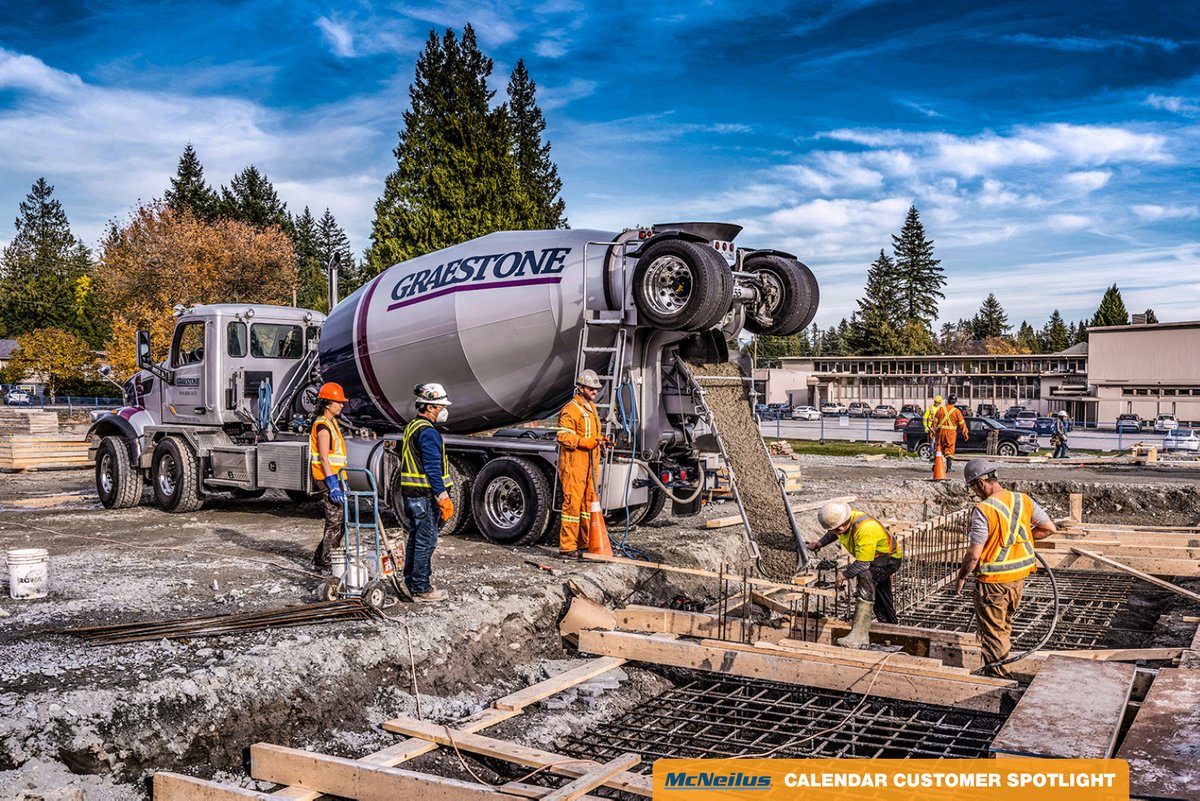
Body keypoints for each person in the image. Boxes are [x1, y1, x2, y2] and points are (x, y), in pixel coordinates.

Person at [954, 459, 1057, 679]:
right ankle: (998, 671)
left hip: (993, 583)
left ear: (981, 483)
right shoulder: (1023, 500)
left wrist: (961, 576)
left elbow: (974, 555)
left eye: (973, 487)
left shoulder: (984, 509)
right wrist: (1022, 540)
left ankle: (1000, 683)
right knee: (1003, 628)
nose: (974, 492)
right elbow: (1049, 528)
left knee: (993, 634)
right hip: (1017, 580)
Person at [805, 501, 904, 648]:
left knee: (865, 576)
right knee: (881, 596)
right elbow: (833, 533)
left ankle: (859, 635)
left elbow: (863, 564)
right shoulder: (844, 520)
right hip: (877, 558)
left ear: (844, 524)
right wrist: (819, 543)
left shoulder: (865, 529)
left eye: (838, 529)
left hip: (888, 560)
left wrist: (843, 575)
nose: (837, 532)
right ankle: (891, 628)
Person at [398, 383, 455, 602]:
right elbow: (432, 468)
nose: (443, 410)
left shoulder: (412, 426)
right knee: (426, 540)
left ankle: (410, 581)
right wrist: (443, 497)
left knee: (416, 538)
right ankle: (421, 588)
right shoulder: (428, 432)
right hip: (423, 495)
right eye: (440, 406)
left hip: (411, 494)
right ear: (430, 407)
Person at [556, 369, 607, 559]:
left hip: (589, 465)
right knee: (572, 506)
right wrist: (583, 442)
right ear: (581, 388)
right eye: (591, 388)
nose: (595, 391)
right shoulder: (571, 409)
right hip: (574, 465)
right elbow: (562, 435)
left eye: (596, 389)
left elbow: (591, 435)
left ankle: (585, 543)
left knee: (588, 505)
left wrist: (601, 441)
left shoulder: (591, 408)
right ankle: (567, 547)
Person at [310, 382, 348, 570]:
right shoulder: (323, 426)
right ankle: (326, 563)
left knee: (341, 521)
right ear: (327, 404)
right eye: (338, 402)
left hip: (335, 478)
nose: (341, 405)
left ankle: (320, 558)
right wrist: (333, 484)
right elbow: (324, 458)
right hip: (327, 479)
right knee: (335, 522)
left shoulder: (331, 423)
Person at [932, 394, 968, 474]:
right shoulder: (957, 411)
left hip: (940, 432)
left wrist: (932, 431)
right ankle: (948, 468)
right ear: (955, 402)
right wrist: (965, 433)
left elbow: (934, 422)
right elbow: (962, 424)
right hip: (950, 434)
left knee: (939, 449)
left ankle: (936, 466)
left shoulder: (940, 409)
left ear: (948, 400)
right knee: (949, 450)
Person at [923, 396, 943, 462]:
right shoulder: (930, 408)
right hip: (931, 428)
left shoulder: (941, 409)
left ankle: (938, 454)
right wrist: (926, 427)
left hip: (939, 428)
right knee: (932, 442)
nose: (937, 404)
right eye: (936, 402)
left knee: (939, 442)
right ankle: (932, 455)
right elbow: (925, 418)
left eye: (938, 403)